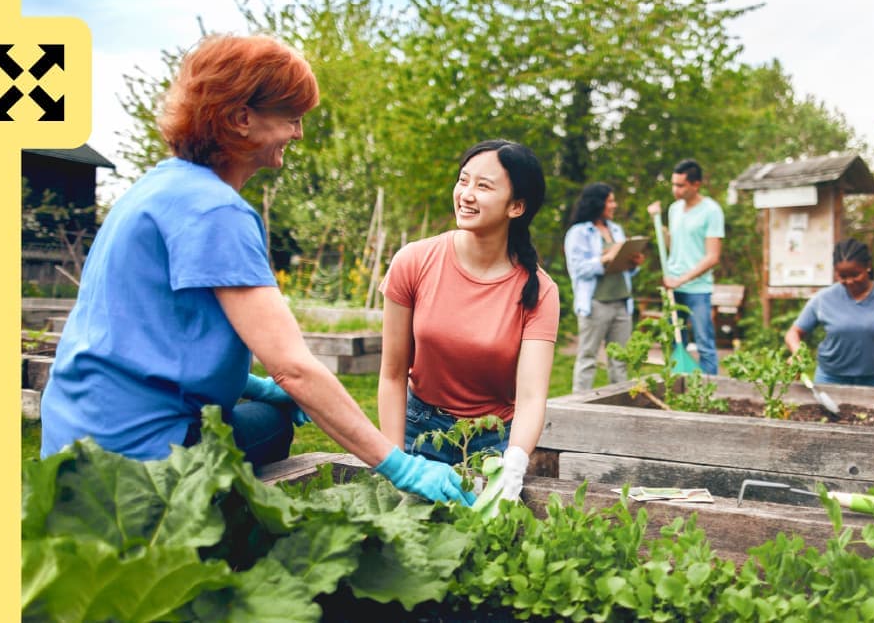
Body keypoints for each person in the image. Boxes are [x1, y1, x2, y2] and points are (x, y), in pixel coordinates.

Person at [40, 34, 472, 506]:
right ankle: (210, 526)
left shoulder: (155, 189)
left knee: (258, 406)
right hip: (139, 457)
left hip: (75, 438)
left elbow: (147, 336)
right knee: (274, 424)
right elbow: (295, 369)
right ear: (242, 118)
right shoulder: (216, 212)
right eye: (291, 117)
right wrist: (400, 465)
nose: (299, 133)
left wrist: (254, 385)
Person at [377, 140, 560, 502]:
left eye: (483, 186)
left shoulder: (539, 291)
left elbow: (531, 396)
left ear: (517, 206)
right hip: (419, 430)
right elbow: (392, 373)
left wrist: (515, 464)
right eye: (464, 181)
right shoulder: (413, 261)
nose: (466, 194)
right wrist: (394, 459)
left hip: (493, 444)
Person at [784, 238, 874, 386]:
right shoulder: (823, 298)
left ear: (868, 266)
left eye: (855, 275)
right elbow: (794, 332)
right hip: (830, 378)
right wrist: (798, 353)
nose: (849, 281)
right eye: (843, 276)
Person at [646, 158, 725, 375]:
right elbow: (674, 245)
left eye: (680, 185)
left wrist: (681, 279)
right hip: (673, 288)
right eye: (673, 184)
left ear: (696, 184)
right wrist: (657, 223)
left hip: (698, 290)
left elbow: (712, 257)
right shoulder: (674, 209)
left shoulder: (711, 211)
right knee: (673, 341)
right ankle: (678, 387)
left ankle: (710, 392)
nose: (675, 190)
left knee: (704, 344)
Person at [563, 183, 645, 391]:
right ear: (597, 203)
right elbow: (578, 269)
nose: (614, 205)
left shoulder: (616, 229)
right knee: (588, 357)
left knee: (620, 359)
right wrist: (605, 259)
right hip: (596, 304)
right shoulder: (579, 232)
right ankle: (579, 406)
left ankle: (619, 405)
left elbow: (623, 269)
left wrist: (633, 263)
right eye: (610, 200)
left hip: (621, 302)